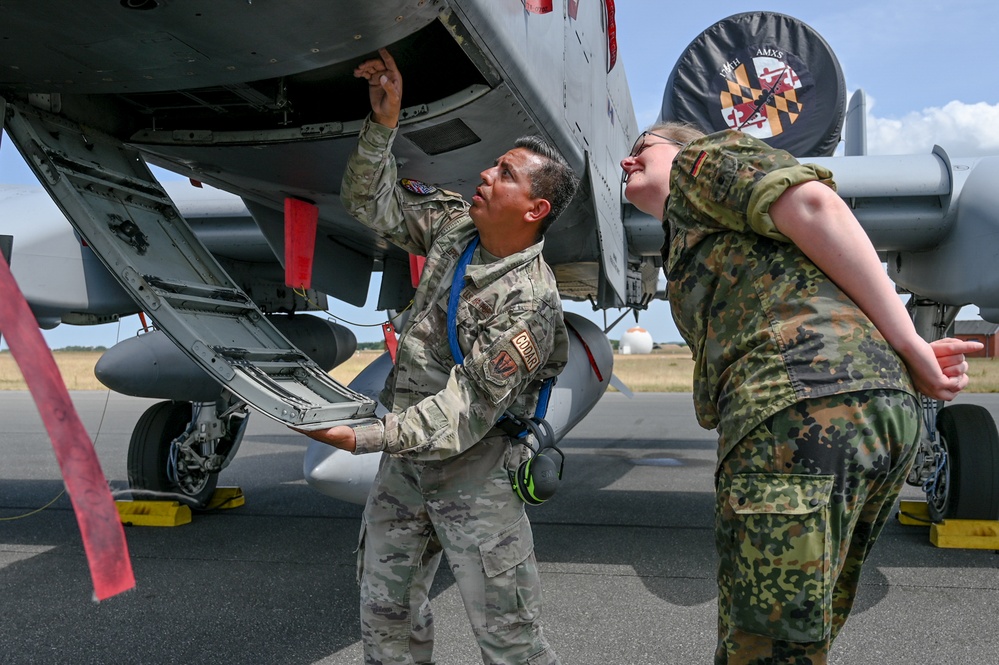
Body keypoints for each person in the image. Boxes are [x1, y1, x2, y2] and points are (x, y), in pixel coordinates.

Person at [620, 123, 981, 664]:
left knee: (767, 646)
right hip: (854, 409)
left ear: (680, 145)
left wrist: (913, 346)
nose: (628, 161)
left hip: (802, 408)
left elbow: (816, 207)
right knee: (800, 634)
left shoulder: (702, 161)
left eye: (643, 148)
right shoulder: (693, 225)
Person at [298, 49, 576, 665]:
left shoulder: (530, 306)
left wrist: (365, 436)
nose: (486, 174)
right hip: (404, 470)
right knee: (386, 622)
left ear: (536, 211)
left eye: (505, 173)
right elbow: (369, 203)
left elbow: (463, 413)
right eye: (493, 165)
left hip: (474, 476)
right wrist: (383, 125)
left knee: (511, 642)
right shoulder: (456, 228)